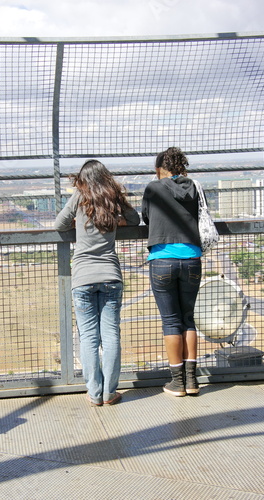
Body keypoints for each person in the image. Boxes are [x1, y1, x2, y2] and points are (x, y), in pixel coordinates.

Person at [54, 159, 140, 406]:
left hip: (82, 277)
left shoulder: (80, 197)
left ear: (82, 179)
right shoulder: (112, 199)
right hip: (111, 276)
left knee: (89, 337)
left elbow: (59, 225)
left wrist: (77, 223)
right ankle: (110, 393)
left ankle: (94, 393)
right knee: (111, 335)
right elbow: (134, 220)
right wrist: (117, 219)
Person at [142, 147, 202, 397]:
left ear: (159, 169)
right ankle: (192, 381)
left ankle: (177, 382)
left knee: (170, 321)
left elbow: (146, 217)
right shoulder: (194, 186)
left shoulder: (153, 188)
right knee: (189, 319)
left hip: (162, 259)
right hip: (191, 258)